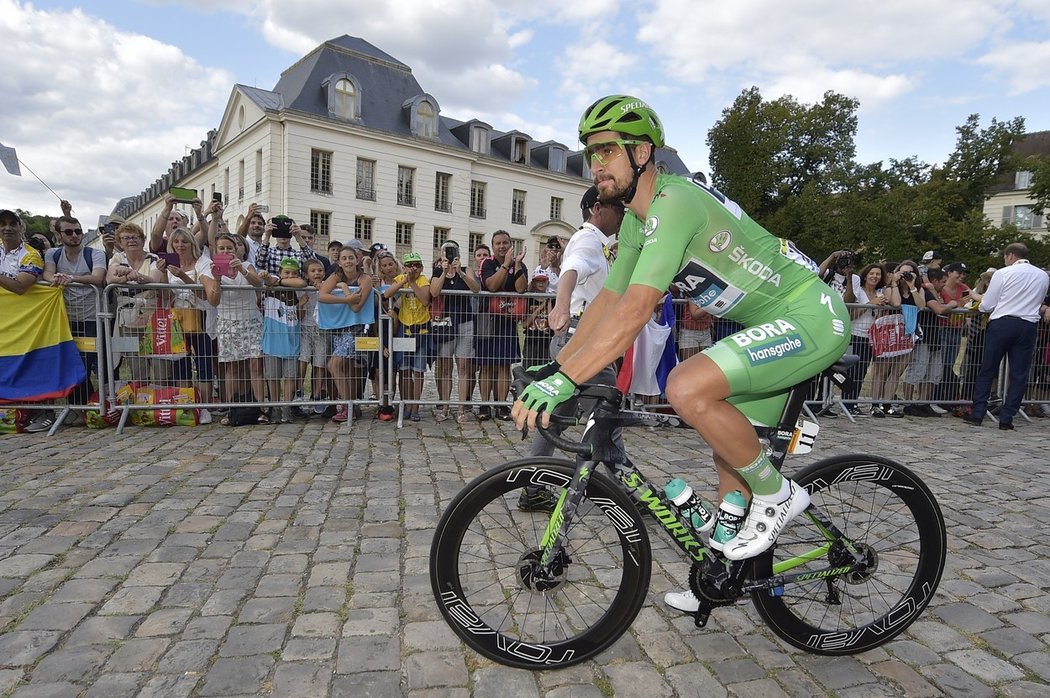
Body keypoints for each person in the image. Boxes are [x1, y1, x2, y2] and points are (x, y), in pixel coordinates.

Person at [511, 95, 850, 614]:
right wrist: (560, 366)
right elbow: (608, 303)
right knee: (727, 454)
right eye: (590, 153)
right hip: (765, 323)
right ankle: (720, 575)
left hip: (809, 315)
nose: (596, 164)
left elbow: (639, 308)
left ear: (643, 152)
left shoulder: (675, 203)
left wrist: (565, 382)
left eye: (607, 150)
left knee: (685, 385)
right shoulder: (631, 224)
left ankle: (779, 495)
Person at [519, 186, 628, 511]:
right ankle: (630, 491)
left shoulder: (601, 243)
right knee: (608, 412)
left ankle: (532, 487)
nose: (623, 213)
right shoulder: (588, 239)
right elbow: (572, 270)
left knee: (557, 417)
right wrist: (562, 305)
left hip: (582, 336)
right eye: (618, 207)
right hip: (583, 338)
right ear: (597, 208)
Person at [964, 243, 1049, 429]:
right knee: (1019, 374)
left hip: (1002, 323)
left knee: (988, 369)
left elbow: (987, 304)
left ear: (1010, 256)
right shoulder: (1043, 275)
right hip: (1028, 324)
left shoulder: (1003, 273)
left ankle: (977, 413)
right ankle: (1007, 417)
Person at [43, 216, 107, 424]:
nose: (75, 236)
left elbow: (98, 278)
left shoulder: (94, 253)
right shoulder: (53, 253)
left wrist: (71, 279)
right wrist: (54, 278)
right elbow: (48, 274)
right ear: (59, 235)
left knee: (86, 364)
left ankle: (87, 406)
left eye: (78, 231)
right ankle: (80, 406)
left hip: (91, 317)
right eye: (69, 232)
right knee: (70, 363)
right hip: (64, 318)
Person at [1, 208, 53, 433]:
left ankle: (42, 412)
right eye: (2, 224)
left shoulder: (31, 254)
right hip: (4, 324)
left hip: (28, 323)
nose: (7, 228)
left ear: (21, 228)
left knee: (33, 366)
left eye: (13, 223)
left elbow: (21, 286)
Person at [203, 233, 265, 417]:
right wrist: (217, 279)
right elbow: (213, 301)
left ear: (236, 249)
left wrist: (243, 271)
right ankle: (232, 409)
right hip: (228, 322)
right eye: (221, 248)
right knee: (233, 367)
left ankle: (260, 407)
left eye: (229, 248)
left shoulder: (246, 265)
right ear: (216, 250)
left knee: (255, 365)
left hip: (251, 320)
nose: (226, 251)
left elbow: (259, 285)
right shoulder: (209, 270)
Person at [166, 227, 219, 424]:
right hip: (177, 319)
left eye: (184, 241)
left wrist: (184, 277)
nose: (180, 245)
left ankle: (204, 406)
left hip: (201, 316)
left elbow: (206, 294)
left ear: (191, 244)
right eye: (176, 242)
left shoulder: (203, 263)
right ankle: (186, 405)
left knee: (204, 362)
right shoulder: (167, 264)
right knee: (181, 362)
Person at [319, 244, 374, 422]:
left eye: (351, 257)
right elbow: (322, 295)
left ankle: (346, 405)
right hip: (339, 328)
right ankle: (352, 406)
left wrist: (344, 291)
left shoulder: (365, 279)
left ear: (357, 260)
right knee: (345, 369)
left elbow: (357, 306)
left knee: (334, 365)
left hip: (357, 329)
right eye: (344, 258)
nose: (348, 261)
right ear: (339, 262)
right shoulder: (336, 276)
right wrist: (347, 297)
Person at [430, 240, 481, 423]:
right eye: (446, 251)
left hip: (465, 322)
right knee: (444, 367)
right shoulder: (437, 271)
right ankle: (444, 407)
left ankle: (461, 408)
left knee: (464, 367)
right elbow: (434, 292)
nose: (449, 255)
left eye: (452, 251)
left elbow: (476, 289)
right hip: (445, 324)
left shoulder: (465, 270)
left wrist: (459, 272)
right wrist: (445, 271)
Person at [478, 230, 527, 421]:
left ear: (510, 244)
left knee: (504, 367)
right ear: (493, 245)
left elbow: (521, 289)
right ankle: (484, 405)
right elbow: (491, 285)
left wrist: (516, 264)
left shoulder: (518, 264)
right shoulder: (488, 263)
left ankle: (501, 405)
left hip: (508, 321)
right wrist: (506, 265)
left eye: (505, 243)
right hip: (488, 321)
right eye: (498, 243)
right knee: (487, 366)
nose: (502, 246)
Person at [868, 261, 922, 417]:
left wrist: (912, 287)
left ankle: (887, 403)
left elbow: (921, 304)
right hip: (890, 333)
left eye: (909, 273)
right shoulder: (890, 289)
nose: (906, 275)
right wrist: (894, 283)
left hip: (907, 334)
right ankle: (874, 404)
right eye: (902, 272)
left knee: (897, 372)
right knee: (882, 371)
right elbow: (896, 303)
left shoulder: (917, 290)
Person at [384, 252, 431, 422]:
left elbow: (425, 300)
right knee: (404, 371)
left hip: (421, 329)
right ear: (404, 267)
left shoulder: (423, 280)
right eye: (410, 265)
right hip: (404, 327)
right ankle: (405, 404)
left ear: (422, 267)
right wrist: (404, 281)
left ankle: (415, 406)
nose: (414, 268)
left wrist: (412, 283)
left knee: (418, 371)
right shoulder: (400, 278)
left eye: (417, 265)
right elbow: (387, 294)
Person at [260, 258, 308, 423]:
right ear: (279, 273)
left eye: (293, 273)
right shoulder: (271, 286)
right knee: (273, 377)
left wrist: (300, 306)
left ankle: (287, 407)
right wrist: (268, 277)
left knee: (290, 377)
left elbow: (300, 315)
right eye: (286, 273)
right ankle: (275, 406)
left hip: (291, 338)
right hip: (272, 339)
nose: (290, 276)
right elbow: (265, 279)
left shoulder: (298, 290)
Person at [900, 269, 949, 416]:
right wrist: (952, 304)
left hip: (934, 337)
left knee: (933, 372)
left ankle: (923, 402)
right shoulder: (923, 292)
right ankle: (908, 403)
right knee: (917, 370)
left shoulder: (925, 291)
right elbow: (938, 309)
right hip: (922, 337)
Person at [844, 263, 891, 413]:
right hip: (855, 334)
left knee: (862, 371)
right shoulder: (859, 292)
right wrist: (871, 304)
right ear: (865, 275)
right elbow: (851, 316)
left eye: (878, 274)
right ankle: (847, 403)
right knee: (853, 371)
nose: (875, 277)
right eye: (872, 273)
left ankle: (854, 403)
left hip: (871, 337)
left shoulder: (880, 293)